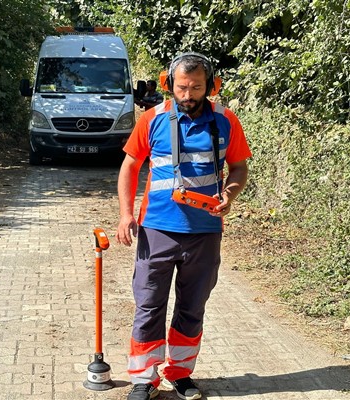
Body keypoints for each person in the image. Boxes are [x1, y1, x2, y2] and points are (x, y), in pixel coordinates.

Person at [116, 53, 251, 400]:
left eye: (196, 87)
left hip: (205, 232)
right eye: (182, 87)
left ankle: (180, 373)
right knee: (148, 304)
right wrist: (125, 214)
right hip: (157, 228)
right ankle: (144, 378)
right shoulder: (152, 119)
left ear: (211, 86)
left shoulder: (226, 121)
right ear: (169, 85)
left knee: (192, 307)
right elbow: (130, 166)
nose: (188, 94)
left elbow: (238, 168)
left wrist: (230, 194)